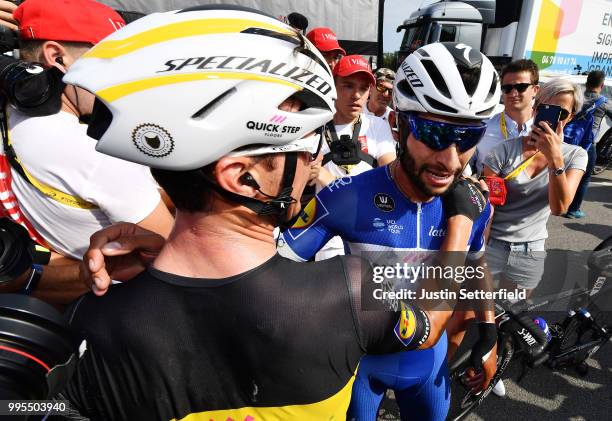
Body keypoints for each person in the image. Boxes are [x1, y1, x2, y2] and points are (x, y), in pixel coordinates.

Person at [59, 7, 450, 420]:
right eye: (305, 143)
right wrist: (459, 224)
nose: (315, 156)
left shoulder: (96, 316)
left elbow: (31, 405)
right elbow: (427, 331)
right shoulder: (351, 293)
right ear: (242, 178)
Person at [278, 42, 500, 421]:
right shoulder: (346, 196)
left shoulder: (473, 203)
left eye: (468, 138)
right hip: (363, 361)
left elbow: (476, 267)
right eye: (433, 133)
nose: (450, 160)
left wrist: (489, 331)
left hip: (428, 365)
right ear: (398, 123)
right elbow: (273, 269)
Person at [0, 0, 173, 304]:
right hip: (129, 302)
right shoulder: (92, 154)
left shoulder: (11, 113)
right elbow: (176, 255)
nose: (129, 80)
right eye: (115, 62)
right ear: (57, 57)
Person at [483, 78, 588, 295]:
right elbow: (489, 207)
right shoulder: (502, 151)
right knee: (470, 311)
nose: (550, 118)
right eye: (544, 109)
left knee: (513, 316)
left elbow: (560, 208)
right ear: (535, 109)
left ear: (571, 117)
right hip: (492, 243)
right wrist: (479, 250)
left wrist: (555, 159)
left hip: (530, 249)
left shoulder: (576, 156)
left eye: (560, 113)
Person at [311, 55, 396, 260]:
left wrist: (327, 179)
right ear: (333, 85)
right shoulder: (314, 125)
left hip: (368, 230)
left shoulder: (377, 126)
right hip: (327, 233)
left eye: (364, 88)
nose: (356, 95)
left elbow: (392, 178)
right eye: (348, 86)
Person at [470, 59, 539, 175]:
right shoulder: (483, 126)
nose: (513, 93)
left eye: (521, 87)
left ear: (535, 90)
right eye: (507, 88)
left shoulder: (545, 129)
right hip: (486, 191)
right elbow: (466, 165)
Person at [565, 70, 611, 218]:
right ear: (602, 85)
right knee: (584, 177)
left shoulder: (576, 97)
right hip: (587, 145)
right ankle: (573, 209)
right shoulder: (603, 102)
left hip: (566, 140)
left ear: (587, 82)